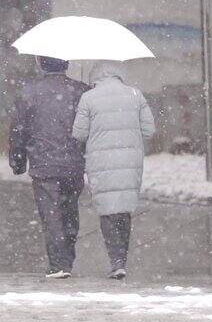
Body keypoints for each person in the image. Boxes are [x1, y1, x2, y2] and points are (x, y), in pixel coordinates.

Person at [72, 61, 155, 280]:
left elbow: (79, 133)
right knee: (124, 208)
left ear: (95, 79)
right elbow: (149, 130)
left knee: (107, 210)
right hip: (130, 158)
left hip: (101, 159)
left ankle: (115, 260)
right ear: (119, 76)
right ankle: (122, 260)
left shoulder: (88, 98)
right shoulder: (135, 94)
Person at [9, 56, 90, 279]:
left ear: (40, 64)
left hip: (43, 162)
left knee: (51, 214)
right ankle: (67, 258)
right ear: (66, 64)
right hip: (73, 162)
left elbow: (18, 129)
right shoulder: (81, 91)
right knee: (70, 210)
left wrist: (17, 159)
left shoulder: (28, 92)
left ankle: (58, 263)